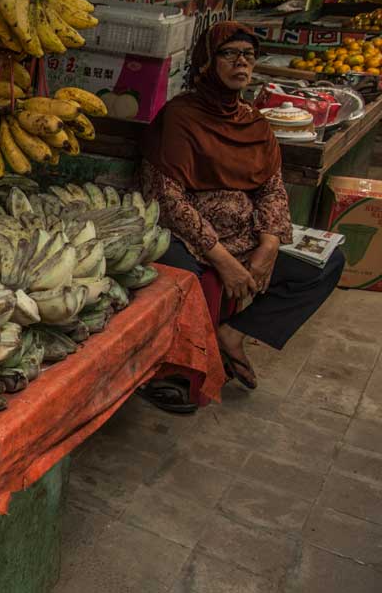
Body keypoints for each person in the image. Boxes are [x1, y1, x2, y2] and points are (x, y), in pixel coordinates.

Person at [138, 21, 344, 412]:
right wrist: (224, 260)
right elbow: (166, 198)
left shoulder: (255, 122)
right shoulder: (180, 117)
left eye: (248, 55)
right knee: (182, 277)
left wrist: (268, 246)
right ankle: (177, 372)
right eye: (229, 54)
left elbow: (272, 188)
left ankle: (233, 334)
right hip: (193, 238)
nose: (241, 63)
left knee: (326, 264)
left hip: (246, 236)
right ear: (206, 62)